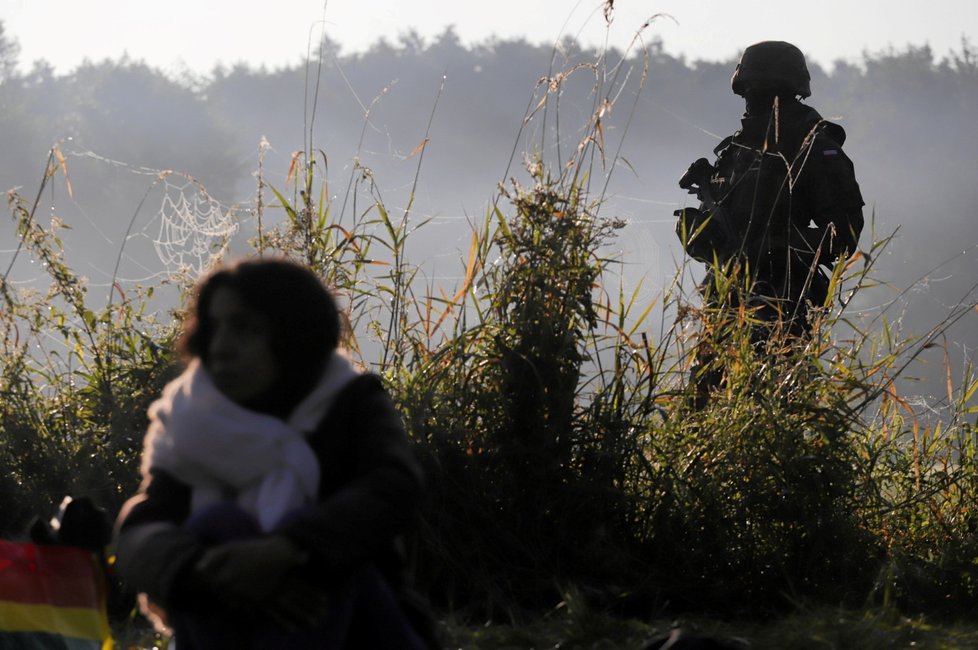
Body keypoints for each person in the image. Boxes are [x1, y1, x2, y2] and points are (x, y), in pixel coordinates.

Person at [113, 257, 436, 649]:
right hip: (224, 617)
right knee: (219, 524)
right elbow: (140, 532)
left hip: (360, 630)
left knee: (326, 544)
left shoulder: (349, 403)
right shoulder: (192, 417)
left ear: (293, 336)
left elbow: (394, 485)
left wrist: (289, 550)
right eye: (214, 328)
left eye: (244, 329)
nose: (221, 348)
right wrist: (217, 574)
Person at [674, 41, 864, 404]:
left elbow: (844, 235)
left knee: (772, 411)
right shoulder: (736, 149)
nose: (753, 102)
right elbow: (719, 234)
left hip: (782, 307)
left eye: (761, 93)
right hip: (726, 303)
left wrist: (777, 245)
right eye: (750, 93)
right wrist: (701, 234)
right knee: (703, 411)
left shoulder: (816, 148)